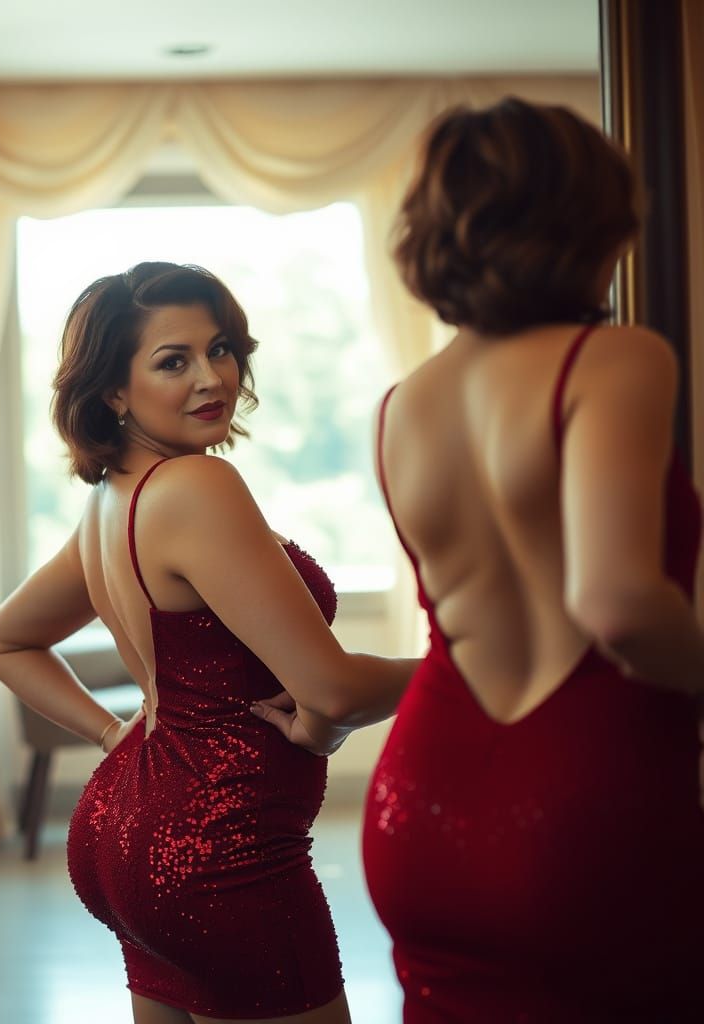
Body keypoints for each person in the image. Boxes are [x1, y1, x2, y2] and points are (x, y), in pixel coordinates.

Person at [260, 97, 704, 1021]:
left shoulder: (404, 405)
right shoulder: (614, 360)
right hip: (586, 807)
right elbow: (618, 605)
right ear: (591, 217)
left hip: (421, 808)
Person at [0, 261, 414, 1024]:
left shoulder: (111, 501)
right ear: (114, 389)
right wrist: (463, 665)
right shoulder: (196, 490)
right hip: (218, 849)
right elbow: (333, 691)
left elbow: (1, 643)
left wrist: (119, 735)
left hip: (128, 834)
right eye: (172, 361)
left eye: (220, 348)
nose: (212, 377)